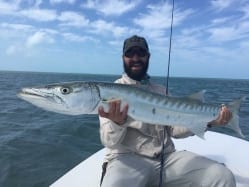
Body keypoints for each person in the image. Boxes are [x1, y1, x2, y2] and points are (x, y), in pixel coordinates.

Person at [98, 35, 236, 187]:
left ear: (148, 57)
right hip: (127, 160)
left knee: (222, 177)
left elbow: (174, 130)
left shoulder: (161, 91)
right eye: (130, 53)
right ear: (123, 58)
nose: (135, 58)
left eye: (141, 53)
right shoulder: (111, 91)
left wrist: (209, 121)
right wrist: (118, 123)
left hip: (167, 158)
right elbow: (109, 142)